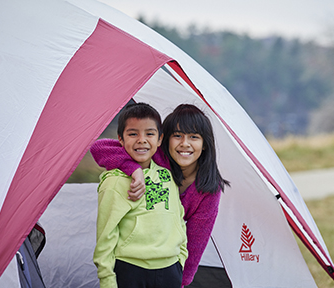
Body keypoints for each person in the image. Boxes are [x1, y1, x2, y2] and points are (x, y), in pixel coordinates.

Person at [91, 104, 230, 287]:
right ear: (164, 140)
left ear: (205, 144)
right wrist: (134, 169)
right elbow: (99, 148)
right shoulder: (157, 158)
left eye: (194, 137)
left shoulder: (209, 189)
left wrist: (180, 279)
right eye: (177, 135)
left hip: (168, 268)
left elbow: (196, 241)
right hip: (133, 262)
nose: (185, 144)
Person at [93, 103, 188, 288]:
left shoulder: (166, 175)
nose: (142, 140)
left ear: (160, 139)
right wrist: (107, 281)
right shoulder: (115, 182)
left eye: (149, 134)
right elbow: (106, 235)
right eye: (133, 133)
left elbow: (178, 218)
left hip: (170, 270)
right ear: (120, 139)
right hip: (130, 269)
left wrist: (180, 260)